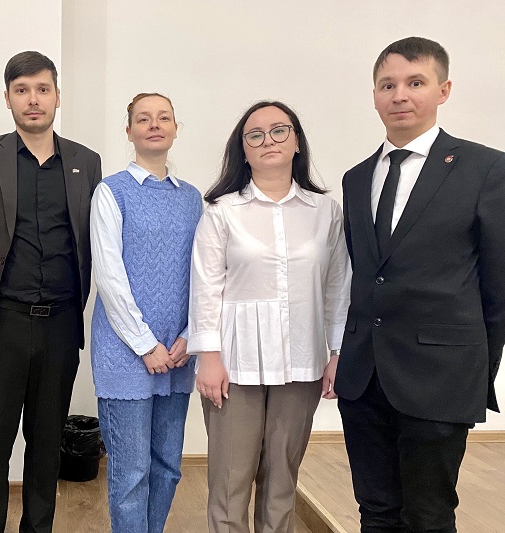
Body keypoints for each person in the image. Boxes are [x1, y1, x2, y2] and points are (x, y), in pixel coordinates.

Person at [335, 36, 505, 533]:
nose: (400, 95)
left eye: (415, 82)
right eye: (387, 85)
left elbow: (498, 287)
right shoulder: (355, 178)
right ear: (374, 95)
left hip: (441, 376)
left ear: (443, 90)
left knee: (429, 516)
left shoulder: (486, 169)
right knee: (376, 513)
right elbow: (365, 274)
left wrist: (475, 371)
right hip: (364, 377)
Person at [0, 50, 102, 533]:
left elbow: (90, 241)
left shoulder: (85, 162)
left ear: (58, 96)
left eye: (42, 89)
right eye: (22, 90)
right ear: (7, 98)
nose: (33, 99)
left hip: (60, 325)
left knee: (45, 447)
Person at [188, 101, 351, 533]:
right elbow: (205, 288)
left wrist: (338, 352)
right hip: (234, 365)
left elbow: (338, 288)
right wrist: (208, 358)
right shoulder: (222, 211)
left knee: (282, 482)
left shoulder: (325, 211)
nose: (268, 141)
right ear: (243, 151)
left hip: (302, 362)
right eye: (255, 135)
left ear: (297, 141)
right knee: (230, 482)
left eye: (279, 130)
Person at [90, 93, 202, 533]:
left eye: (163, 118)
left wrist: (190, 335)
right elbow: (109, 276)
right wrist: (144, 344)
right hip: (126, 354)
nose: (154, 125)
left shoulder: (192, 198)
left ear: (175, 128)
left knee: (167, 466)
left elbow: (204, 273)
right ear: (129, 131)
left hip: (178, 352)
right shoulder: (111, 192)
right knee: (131, 472)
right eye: (143, 119)